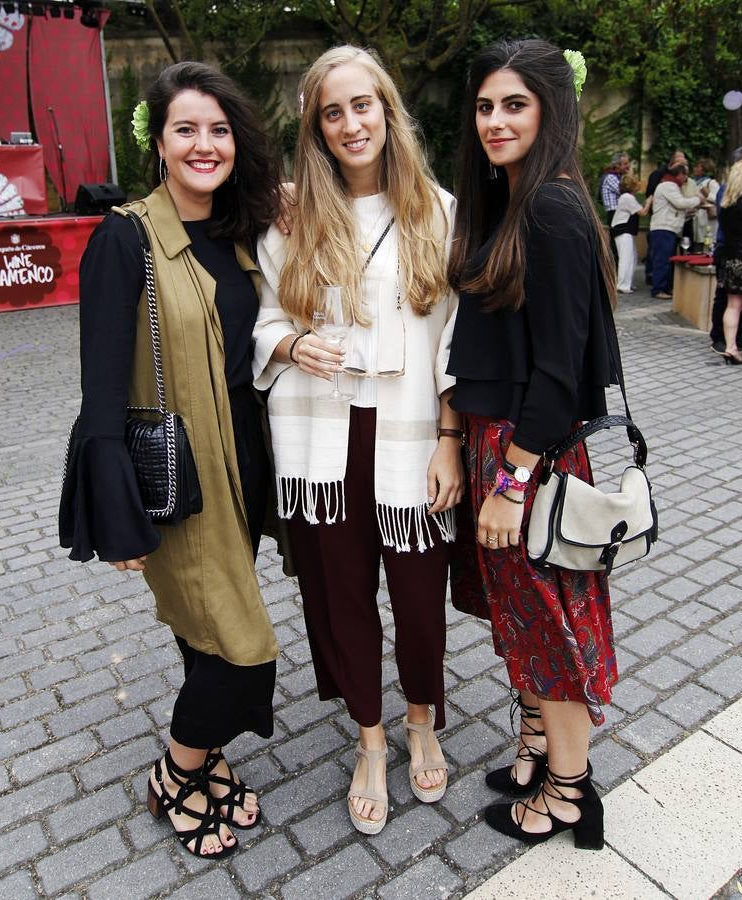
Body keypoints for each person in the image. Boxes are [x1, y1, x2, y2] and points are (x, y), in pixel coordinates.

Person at [59, 62, 282, 858]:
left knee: (204, 637)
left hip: (247, 476)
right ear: (158, 142)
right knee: (243, 654)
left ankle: (208, 758)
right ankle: (174, 773)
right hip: (182, 484)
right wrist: (115, 512)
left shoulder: (235, 232)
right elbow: (100, 389)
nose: (204, 144)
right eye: (185, 128)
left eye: (219, 129)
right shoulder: (124, 239)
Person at [253, 45, 462, 835]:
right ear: (315, 126)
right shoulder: (292, 218)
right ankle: (369, 739)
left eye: (361, 105)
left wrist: (449, 437)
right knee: (340, 599)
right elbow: (265, 316)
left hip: (409, 437)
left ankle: (420, 720)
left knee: (416, 601)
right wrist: (288, 345)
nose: (349, 124)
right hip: (321, 443)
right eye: (331, 112)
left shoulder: (437, 211)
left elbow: (453, 335)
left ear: (387, 110)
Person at [446, 39, 619, 850]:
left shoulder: (548, 207)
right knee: (527, 621)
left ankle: (570, 793)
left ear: (550, 109)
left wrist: (511, 483)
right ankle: (542, 758)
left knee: (549, 629)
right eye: (484, 105)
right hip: (509, 448)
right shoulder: (516, 202)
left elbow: (556, 369)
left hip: (530, 456)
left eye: (513, 104)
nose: (494, 121)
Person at [710, 145, 742, 354]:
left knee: (734, 304)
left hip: (731, 255)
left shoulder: (728, 199)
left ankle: (732, 346)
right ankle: (728, 342)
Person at [648, 163, 703, 298]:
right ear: (680, 174)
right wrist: (698, 199)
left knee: (666, 260)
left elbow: (676, 208)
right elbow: (680, 203)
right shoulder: (668, 186)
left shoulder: (670, 185)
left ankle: (665, 288)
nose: (686, 179)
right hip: (663, 228)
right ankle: (658, 289)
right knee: (662, 260)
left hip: (668, 228)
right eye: (685, 175)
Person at [611, 172, 651, 292]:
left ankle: (628, 283)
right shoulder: (627, 197)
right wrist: (649, 202)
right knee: (626, 257)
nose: (639, 183)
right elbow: (643, 212)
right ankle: (622, 285)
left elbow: (639, 209)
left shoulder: (628, 197)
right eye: (637, 181)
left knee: (632, 257)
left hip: (625, 231)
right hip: (623, 231)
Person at [692, 157, 719, 249]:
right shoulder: (694, 182)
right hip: (696, 218)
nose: (694, 168)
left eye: (697, 167)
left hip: (708, 219)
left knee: (707, 245)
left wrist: (707, 194)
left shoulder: (712, 183)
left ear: (705, 169)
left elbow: (718, 199)